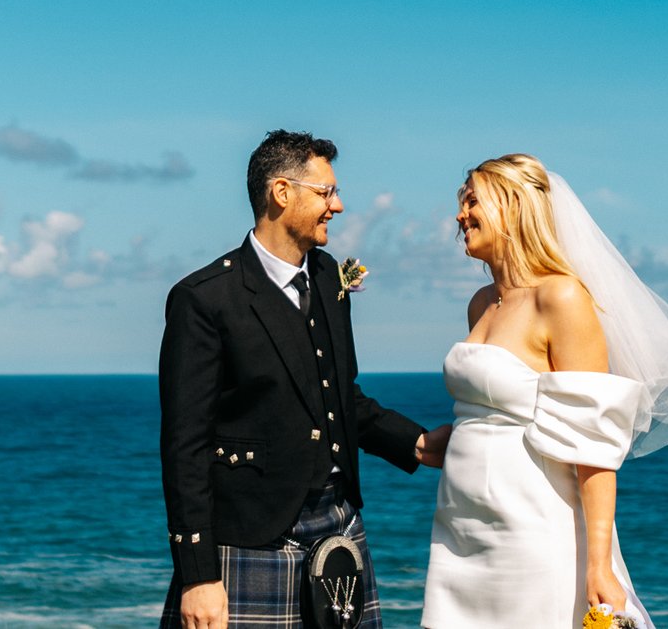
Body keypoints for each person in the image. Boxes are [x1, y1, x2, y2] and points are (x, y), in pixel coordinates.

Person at [160, 130, 451, 629]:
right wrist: (199, 577)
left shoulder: (327, 278)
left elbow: (340, 398)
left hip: (339, 529)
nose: (337, 206)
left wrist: (417, 443)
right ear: (281, 193)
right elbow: (185, 445)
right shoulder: (206, 299)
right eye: (325, 192)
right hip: (251, 539)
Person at [422, 154, 668, 629]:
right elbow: (489, 408)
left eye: (471, 200)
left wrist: (598, 565)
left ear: (514, 206)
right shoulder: (480, 304)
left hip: (532, 524)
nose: (460, 215)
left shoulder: (562, 297)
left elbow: (594, 445)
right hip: (460, 526)